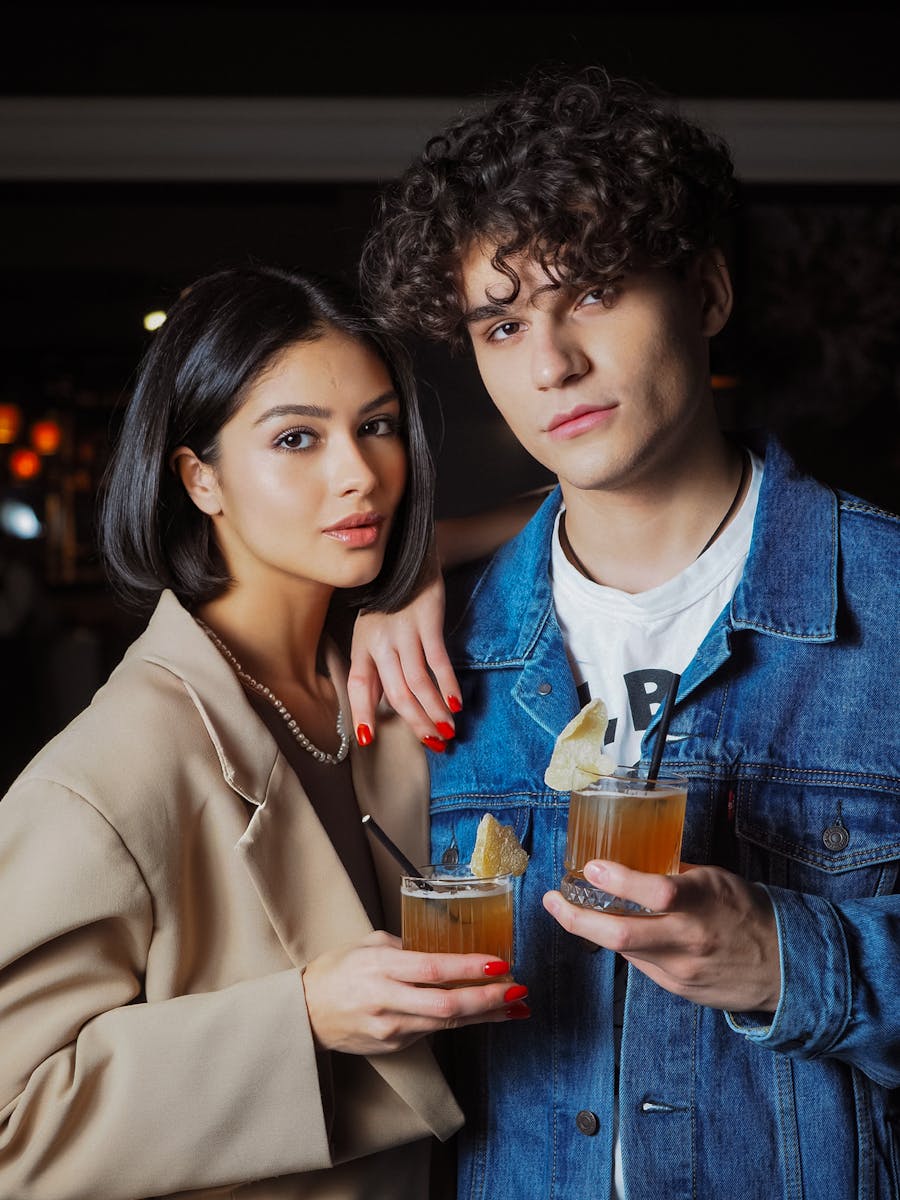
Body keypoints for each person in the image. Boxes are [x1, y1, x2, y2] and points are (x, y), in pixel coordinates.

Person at [352, 68, 900, 1199]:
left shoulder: (889, 602)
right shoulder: (429, 651)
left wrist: (791, 963)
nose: (550, 363)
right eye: (503, 324)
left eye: (591, 292)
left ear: (703, 292)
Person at [0, 265, 530, 1200]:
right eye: (297, 438)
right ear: (199, 478)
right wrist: (303, 1020)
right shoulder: (102, 779)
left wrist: (423, 559)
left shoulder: (387, 675)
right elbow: (13, 1128)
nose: (359, 475)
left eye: (376, 427)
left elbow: (600, 508)